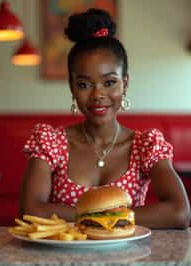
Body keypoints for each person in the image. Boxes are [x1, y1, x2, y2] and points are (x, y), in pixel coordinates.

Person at [20, 8, 190, 229]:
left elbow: (179, 213)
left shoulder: (145, 146)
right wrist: (112, 218)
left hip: (130, 261)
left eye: (109, 82)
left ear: (125, 83)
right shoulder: (51, 143)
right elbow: (31, 211)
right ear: (71, 87)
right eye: (84, 84)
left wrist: (88, 218)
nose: (97, 95)